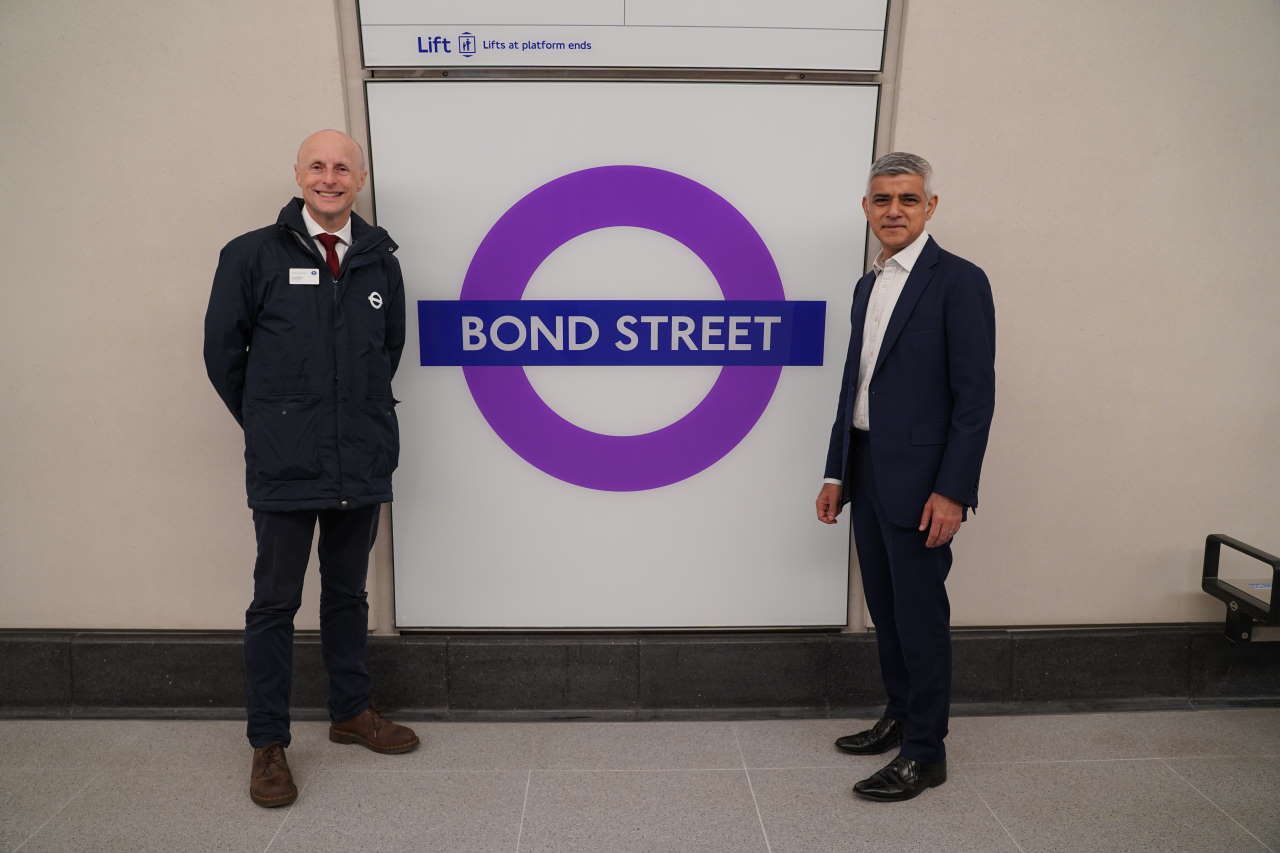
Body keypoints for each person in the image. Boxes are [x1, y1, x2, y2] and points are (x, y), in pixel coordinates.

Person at [204, 129, 418, 808]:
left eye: (342, 168)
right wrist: (276, 424)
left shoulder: (380, 259)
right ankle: (268, 744)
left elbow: (388, 350)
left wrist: (346, 420)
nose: (330, 177)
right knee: (275, 603)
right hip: (286, 464)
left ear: (359, 179)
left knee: (348, 594)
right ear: (298, 173)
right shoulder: (250, 256)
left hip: (360, 458)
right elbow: (222, 357)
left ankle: (351, 711)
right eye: (318, 166)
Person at [816, 152, 995, 802]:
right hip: (867, 470)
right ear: (866, 209)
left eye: (908, 199)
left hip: (924, 485)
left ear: (930, 207)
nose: (894, 210)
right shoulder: (869, 284)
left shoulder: (959, 281)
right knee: (886, 611)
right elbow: (854, 387)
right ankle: (899, 714)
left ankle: (926, 751)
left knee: (920, 616)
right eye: (882, 199)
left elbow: (975, 399)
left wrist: (953, 488)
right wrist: (838, 471)